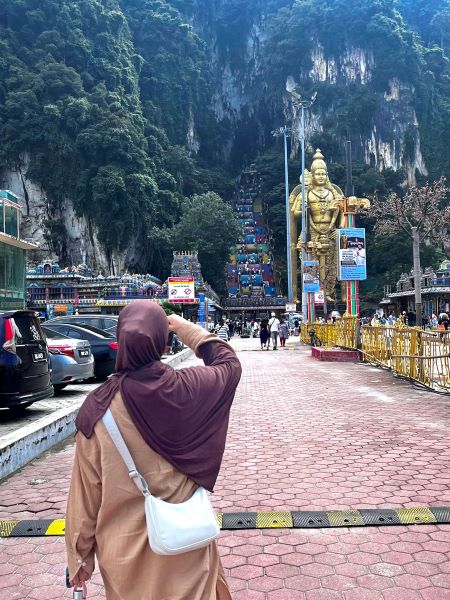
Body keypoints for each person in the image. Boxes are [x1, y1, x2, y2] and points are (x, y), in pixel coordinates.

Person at [65, 302, 241, 600]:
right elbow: (229, 364)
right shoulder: (191, 389)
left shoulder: (98, 410)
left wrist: (79, 560)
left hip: (125, 561)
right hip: (187, 552)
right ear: (163, 341)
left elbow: (85, 497)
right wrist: (184, 327)